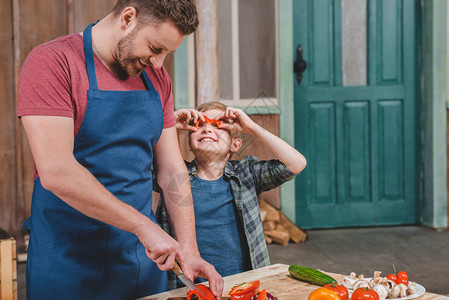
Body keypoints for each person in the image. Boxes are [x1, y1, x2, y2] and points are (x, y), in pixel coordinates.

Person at [17, 0, 223, 298]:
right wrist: (143, 226)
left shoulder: (155, 78)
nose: (158, 63)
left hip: (141, 260)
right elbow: (56, 171)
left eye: (166, 53)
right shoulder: (53, 62)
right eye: (154, 48)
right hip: (67, 262)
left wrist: (189, 249)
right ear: (128, 18)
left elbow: (171, 171)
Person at [156, 101, 307, 287]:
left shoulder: (246, 174)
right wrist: (167, 126)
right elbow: (135, 168)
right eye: (199, 125)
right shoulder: (172, 175)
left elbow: (296, 164)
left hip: (243, 282)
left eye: (218, 125)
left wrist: (250, 126)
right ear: (189, 144)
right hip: (187, 285)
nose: (207, 129)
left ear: (235, 145)